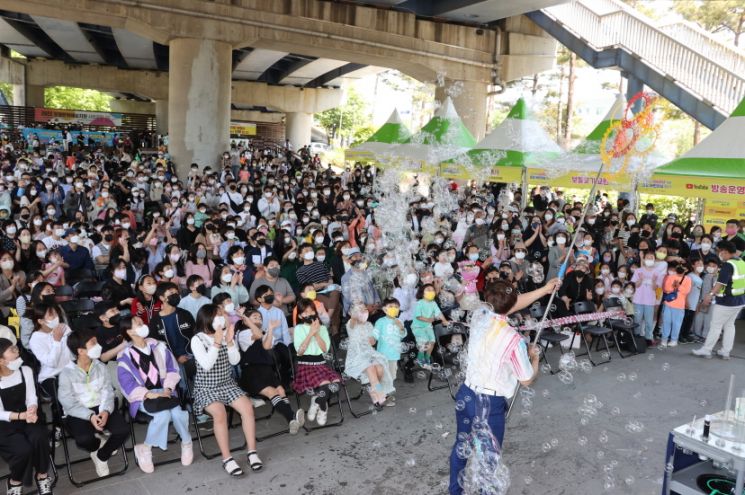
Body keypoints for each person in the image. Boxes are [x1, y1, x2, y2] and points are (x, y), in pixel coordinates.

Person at [449, 278, 560, 495]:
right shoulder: (513, 339)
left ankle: (456, 491)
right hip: (489, 405)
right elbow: (526, 379)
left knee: (461, 447)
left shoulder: (479, 315)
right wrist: (534, 358)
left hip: (466, 394)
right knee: (488, 462)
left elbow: (508, 305)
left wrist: (545, 289)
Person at [190, 304, 262, 477]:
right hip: (206, 387)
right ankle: (227, 459)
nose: (223, 317)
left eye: (223, 314)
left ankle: (252, 452)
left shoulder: (225, 334)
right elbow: (206, 365)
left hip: (226, 383)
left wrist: (229, 342)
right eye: (219, 315)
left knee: (247, 409)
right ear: (208, 318)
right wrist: (217, 340)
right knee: (220, 414)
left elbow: (235, 361)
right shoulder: (197, 339)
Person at [117, 315, 193, 473]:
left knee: (178, 414)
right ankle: (146, 449)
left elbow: (173, 369)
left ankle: (187, 443)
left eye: (141, 322)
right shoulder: (125, 357)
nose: (142, 325)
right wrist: (148, 394)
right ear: (129, 331)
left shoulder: (159, 346)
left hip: (166, 391)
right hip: (144, 397)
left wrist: (168, 388)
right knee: (162, 416)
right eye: (137, 323)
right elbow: (127, 385)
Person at [58, 329, 129, 478]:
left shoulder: (100, 366)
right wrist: (90, 416)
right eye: (93, 344)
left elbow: (108, 392)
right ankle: (97, 446)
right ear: (81, 351)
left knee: (122, 430)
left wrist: (105, 411)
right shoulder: (67, 373)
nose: (98, 346)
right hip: (79, 411)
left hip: (102, 405)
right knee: (84, 440)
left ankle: (101, 456)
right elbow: (67, 401)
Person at [236, 310, 305, 434]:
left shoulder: (264, 332)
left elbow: (267, 346)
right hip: (252, 372)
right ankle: (292, 416)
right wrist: (246, 319)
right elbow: (257, 336)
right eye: (254, 316)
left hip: (266, 370)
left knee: (281, 391)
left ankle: (291, 420)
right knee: (272, 392)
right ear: (245, 320)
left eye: (260, 317)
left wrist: (271, 329)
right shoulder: (243, 334)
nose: (258, 318)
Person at [0, 338, 54, 495]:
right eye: (12, 351)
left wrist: (32, 409)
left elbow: (31, 396)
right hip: (5, 423)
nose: (18, 352)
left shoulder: (26, 371)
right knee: (22, 450)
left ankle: (42, 476)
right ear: (1, 360)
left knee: (40, 437)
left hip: (28, 416)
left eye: (16, 349)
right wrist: (21, 415)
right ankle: (14, 482)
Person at [292, 298, 341, 427]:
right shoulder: (299, 329)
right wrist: (310, 334)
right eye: (305, 312)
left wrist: (316, 333)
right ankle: (323, 409)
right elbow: (300, 351)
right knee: (325, 386)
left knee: (336, 384)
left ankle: (316, 401)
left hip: (321, 363)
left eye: (311, 311)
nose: (309, 314)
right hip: (305, 365)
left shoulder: (323, 329)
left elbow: (325, 349)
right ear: (301, 315)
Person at [692, 241, 745, 360]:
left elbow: (720, 284)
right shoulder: (741, 262)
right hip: (739, 300)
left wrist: (709, 295)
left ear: (725, 251)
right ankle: (725, 351)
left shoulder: (728, 265)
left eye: (720, 251)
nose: (719, 254)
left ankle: (706, 350)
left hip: (726, 302)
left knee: (715, 325)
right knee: (730, 325)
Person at [346, 303, 393, 407]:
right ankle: (381, 396)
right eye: (360, 309)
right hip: (357, 356)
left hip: (369, 353)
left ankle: (374, 390)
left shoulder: (369, 325)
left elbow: (373, 341)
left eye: (365, 309)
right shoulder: (351, 323)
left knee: (380, 369)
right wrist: (355, 314)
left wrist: (372, 340)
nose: (363, 311)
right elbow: (353, 321)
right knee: (371, 369)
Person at [410, 284, 448, 369]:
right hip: (418, 327)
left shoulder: (433, 303)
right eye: (428, 290)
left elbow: (439, 313)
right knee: (424, 341)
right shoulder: (419, 303)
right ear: (422, 293)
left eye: (432, 290)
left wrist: (444, 320)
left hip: (428, 327)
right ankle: (420, 358)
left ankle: (427, 358)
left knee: (432, 341)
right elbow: (418, 316)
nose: (431, 292)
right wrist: (428, 320)